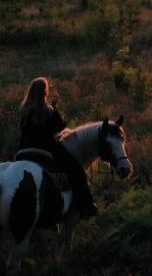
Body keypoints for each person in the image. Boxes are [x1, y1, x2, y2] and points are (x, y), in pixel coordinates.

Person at [17, 77, 97, 218]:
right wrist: (54, 107)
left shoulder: (23, 109)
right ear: (45, 92)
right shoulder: (49, 111)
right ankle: (86, 206)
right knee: (77, 169)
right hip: (45, 150)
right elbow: (61, 128)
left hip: (23, 151)